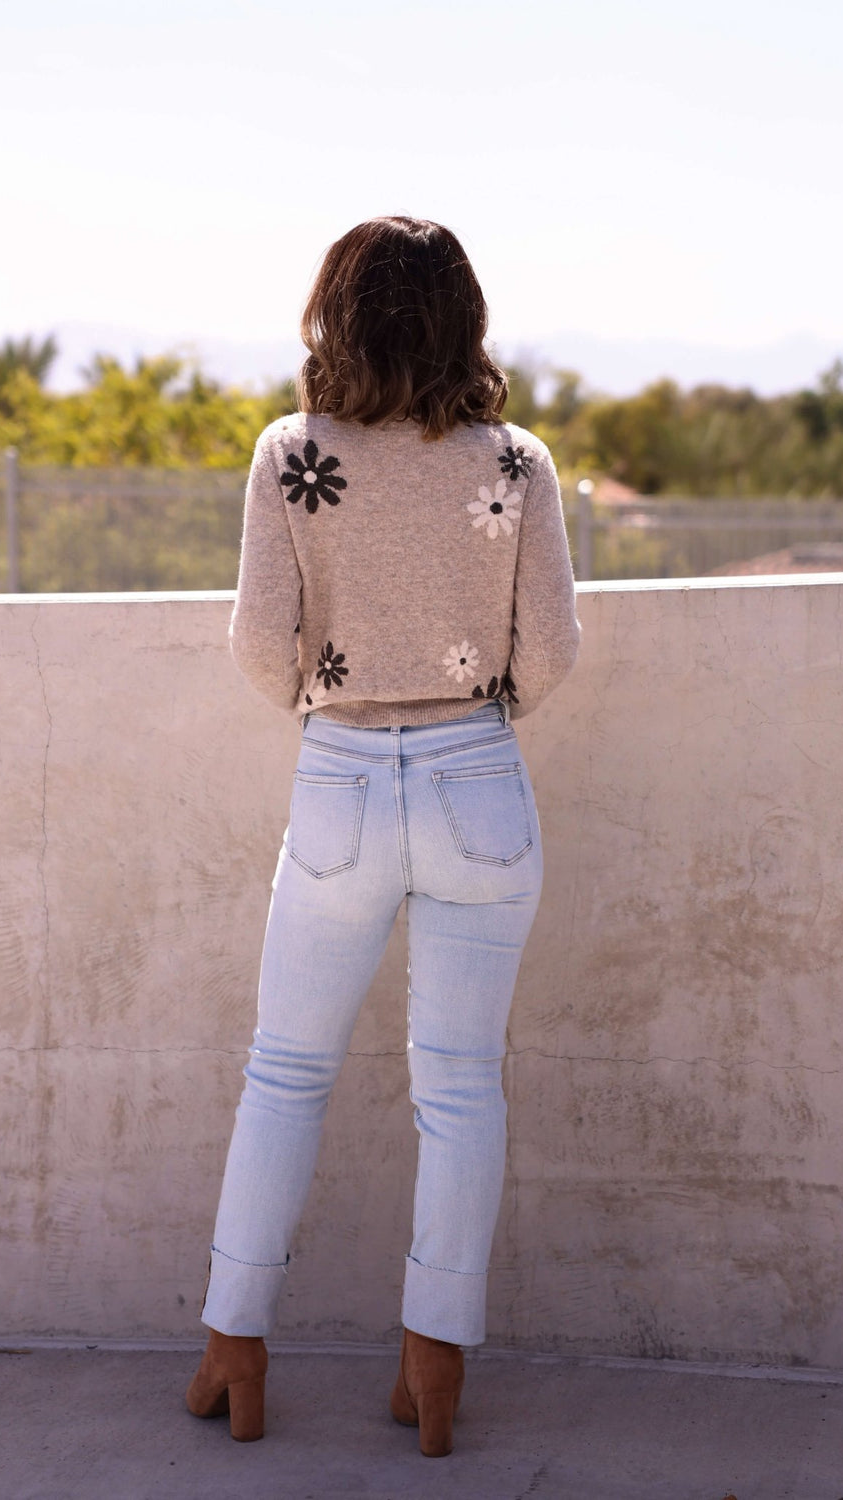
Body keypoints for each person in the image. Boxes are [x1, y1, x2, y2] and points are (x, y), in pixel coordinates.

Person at [185, 215, 581, 1457]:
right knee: (460, 1086)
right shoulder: (514, 462)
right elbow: (552, 651)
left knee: (284, 1073)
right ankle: (431, 1367)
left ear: (334, 315)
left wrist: (336, 699)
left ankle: (235, 1347)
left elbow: (259, 645)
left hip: (343, 781)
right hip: (480, 778)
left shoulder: (290, 452)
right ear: (462, 317)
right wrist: (470, 706)